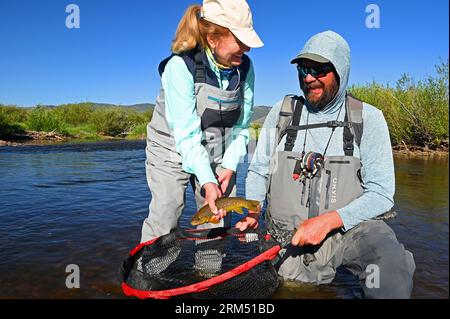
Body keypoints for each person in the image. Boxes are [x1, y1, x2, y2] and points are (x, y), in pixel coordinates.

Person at [237, 30, 416, 298]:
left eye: (319, 69)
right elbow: (259, 169)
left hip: (347, 233)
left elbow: (381, 194)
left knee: (391, 263)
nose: (308, 77)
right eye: (303, 69)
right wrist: (252, 210)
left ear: (341, 71)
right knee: (293, 289)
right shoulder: (282, 112)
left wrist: (330, 220)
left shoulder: (369, 119)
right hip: (286, 236)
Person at [140, 0, 263, 243]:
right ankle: (149, 273)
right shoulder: (179, 66)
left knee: (216, 218)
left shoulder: (245, 69)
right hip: (171, 147)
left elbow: (242, 125)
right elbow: (186, 136)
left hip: (218, 145)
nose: (246, 48)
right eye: (239, 40)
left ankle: (208, 273)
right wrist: (207, 180)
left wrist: (229, 165)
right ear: (212, 38)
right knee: (166, 213)